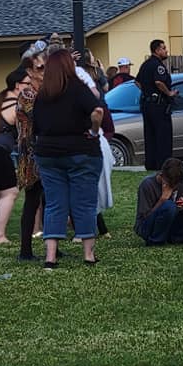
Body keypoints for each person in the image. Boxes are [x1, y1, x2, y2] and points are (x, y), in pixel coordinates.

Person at [32, 49, 104, 268]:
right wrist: (93, 131)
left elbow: (36, 128)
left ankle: (50, 257)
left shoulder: (43, 94)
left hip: (47, 154)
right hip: (80, 152)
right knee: (84, 202)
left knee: (54, 203)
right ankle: (88, 255)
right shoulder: (78, 89)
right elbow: (97, 111)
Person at [16, 53, 47, 261]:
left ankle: (51, 242)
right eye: (40, 68)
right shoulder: (28, 95)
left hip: (41, 150)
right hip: (31, 154)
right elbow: (37, 119)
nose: (45, 72)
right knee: (32, 200)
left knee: (47, 199)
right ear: (29, 71)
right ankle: (25, 250)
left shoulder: (41, 92)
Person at [134, 157, 183, 246]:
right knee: (168, 206)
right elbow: (145, 216)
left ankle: (177, 238)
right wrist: (162, 200)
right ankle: (156, 240)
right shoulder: (147, 184)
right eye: (170, 183)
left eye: (176, 184)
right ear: (162, 175)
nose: (174, 186)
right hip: (147, 226)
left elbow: (180, 210)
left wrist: (181, 207)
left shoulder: (181, 183)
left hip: (171, 221)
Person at [136, 40, 179, 171]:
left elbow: (137, 82)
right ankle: (163, 165)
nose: (166, 51)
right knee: (163, 137)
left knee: (150, 136)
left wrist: (147, 91)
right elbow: (159, 82)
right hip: (159, 105)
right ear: (156, 50)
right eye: (164, 48)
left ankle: (151, 164)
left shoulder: (145, 65)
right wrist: (169, 93)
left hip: (147, 104)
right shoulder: (158, 66)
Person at [0, 68, 26, 243]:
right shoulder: (15, 103)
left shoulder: (0, 98)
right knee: (10, 192)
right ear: (17, 85)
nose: (30, 87)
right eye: (27, 84)